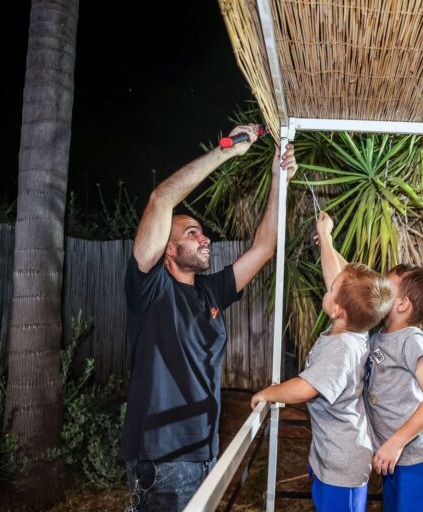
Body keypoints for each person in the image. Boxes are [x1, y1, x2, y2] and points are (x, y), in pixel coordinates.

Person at [119, 124, 297, 511]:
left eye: (204, 234)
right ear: (167, 248)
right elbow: (161, 198)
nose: (206, 239)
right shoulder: (150, 290)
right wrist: (226, 152)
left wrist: (277, 180)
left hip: (203, 450)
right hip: (163, 457)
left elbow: (264, 248)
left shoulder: (210, 291)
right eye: (193, 233)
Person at [251, 213, 395, 512]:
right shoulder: (355, 326)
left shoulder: (341, 349)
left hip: (341, 466)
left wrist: (269, 392)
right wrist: (325, 239)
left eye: (330, 289)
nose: (327, 285)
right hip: (332, 455)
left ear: (336, 309)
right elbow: (344, 280)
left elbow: (305, 388)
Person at [315, 211, 423, 511]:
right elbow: (348, 282)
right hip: (392, 458)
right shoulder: (378, 332)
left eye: (388, 288)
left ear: (401, 304)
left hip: (413, 458)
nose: (379, 291)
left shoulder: (411, 339)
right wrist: (327, 241)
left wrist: (397, 442)